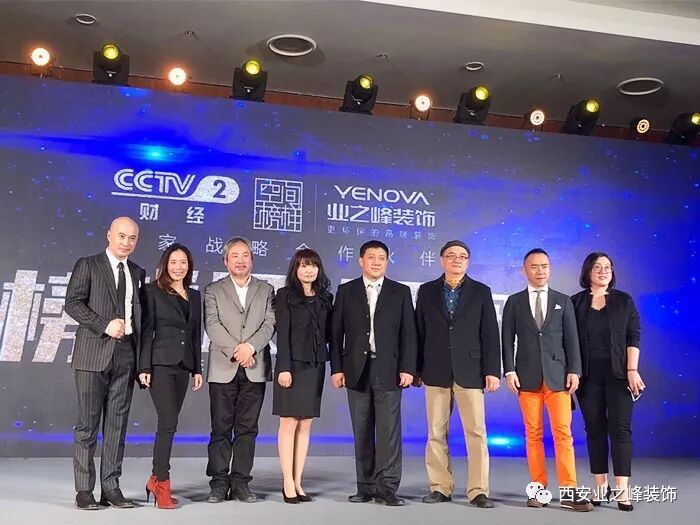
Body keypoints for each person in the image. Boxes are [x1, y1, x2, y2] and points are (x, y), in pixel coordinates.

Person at [501, 248, 592, 512]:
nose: (540, 271)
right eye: (534, 266)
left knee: (563, 434)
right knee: (533, 434)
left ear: (550, 269)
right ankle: (538, 490)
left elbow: (572, 339)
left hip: (558, 378)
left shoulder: (563, 301)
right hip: (526, 378)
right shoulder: (514, 302)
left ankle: (569, 492)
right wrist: (509, 370)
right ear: (524, 270)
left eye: (544, 266)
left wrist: (575, 370)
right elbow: (506, 339)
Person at [64, 216, 145, 510]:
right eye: (121, 236)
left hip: (126, 355)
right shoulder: (88, 264)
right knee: (87, 426)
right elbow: (72, 302)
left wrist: (141, 361)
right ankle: (84, 490)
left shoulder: (137, 271)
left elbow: (139, 316)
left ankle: (111, 487)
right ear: (109, 235)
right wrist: (104, 325)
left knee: (117, 426)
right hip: (92, 355)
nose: (126, 242)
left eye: (132, 238)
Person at [330, 240, 417, 507]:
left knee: (389, 432)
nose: (376, 262)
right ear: (361, 261)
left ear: (387, 262)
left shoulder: (400, 292)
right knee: (362, 430)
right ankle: (365, 487)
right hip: (356, 370)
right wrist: (337, 368)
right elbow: (336, 334)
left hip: (389, 369)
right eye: (371, 257)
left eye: (381, 258)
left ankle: (387, 489)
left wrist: (408, 368)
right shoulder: (346, 291)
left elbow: (409, 333)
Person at [414, 240, 500, 508]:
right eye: (451, 256)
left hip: (471, 371)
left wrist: (492, 371)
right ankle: (440, 487)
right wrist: (417, 368)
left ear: (468, 261)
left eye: (462, 256)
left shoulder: (481, 292)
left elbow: (490, 334)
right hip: (435, 370)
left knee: (476, 432)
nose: (456, 260)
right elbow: (419, 332)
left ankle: (478, 490)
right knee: (436, 432)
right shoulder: (427, 291)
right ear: (441, 260)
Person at [204, 237, 275, 504]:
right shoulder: (213, 290)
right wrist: (238, 350)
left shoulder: (266, 289)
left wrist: (251, 348)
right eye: (235, 256)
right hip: (223, 366)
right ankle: (218, 482)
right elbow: (212, 325)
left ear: (252, 260)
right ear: (226, 261)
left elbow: (269, 324)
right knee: (220, 427)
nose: (240, 260)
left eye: (245, 255)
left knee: (248, 428)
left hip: (254, 367)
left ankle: (241, 482)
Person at [571, 252, 643, 512]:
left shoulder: (624, 300)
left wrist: (632, 369)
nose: (603, 271)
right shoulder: (575, 302)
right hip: (587, 376)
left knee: (620, 429)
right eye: (597, 267)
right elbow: (568, 341)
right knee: (594, 429)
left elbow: (633, 335)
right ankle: (601, 486)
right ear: (587, 271)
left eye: (607, 267)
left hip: (620, 375)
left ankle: (623, 490)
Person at [138, 244, 203, 509]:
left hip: (184, 365)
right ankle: (162, 483)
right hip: (160, 364)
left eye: (183, 262)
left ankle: (155, 479)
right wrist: (144, 367)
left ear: (189, 266)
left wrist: (197, 369)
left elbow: (195, 334)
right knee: (167, 421)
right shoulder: (152, 291)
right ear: (165, 264)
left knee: (171, 423)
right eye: (173, 262)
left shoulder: (194, 295)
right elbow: (146, 330)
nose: (178, 267)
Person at [273, 248, 333, 504]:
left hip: (315, 366)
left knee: (305, 424)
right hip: (292, 366)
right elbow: (282, 335)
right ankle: (287, 482)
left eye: (313, 265)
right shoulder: (285, 295)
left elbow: (330, 333)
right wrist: (284, 368)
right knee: (289, 422)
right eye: (304, 265)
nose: (309, 270)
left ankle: (298, 481)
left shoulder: (325, 298)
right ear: (295, 269)